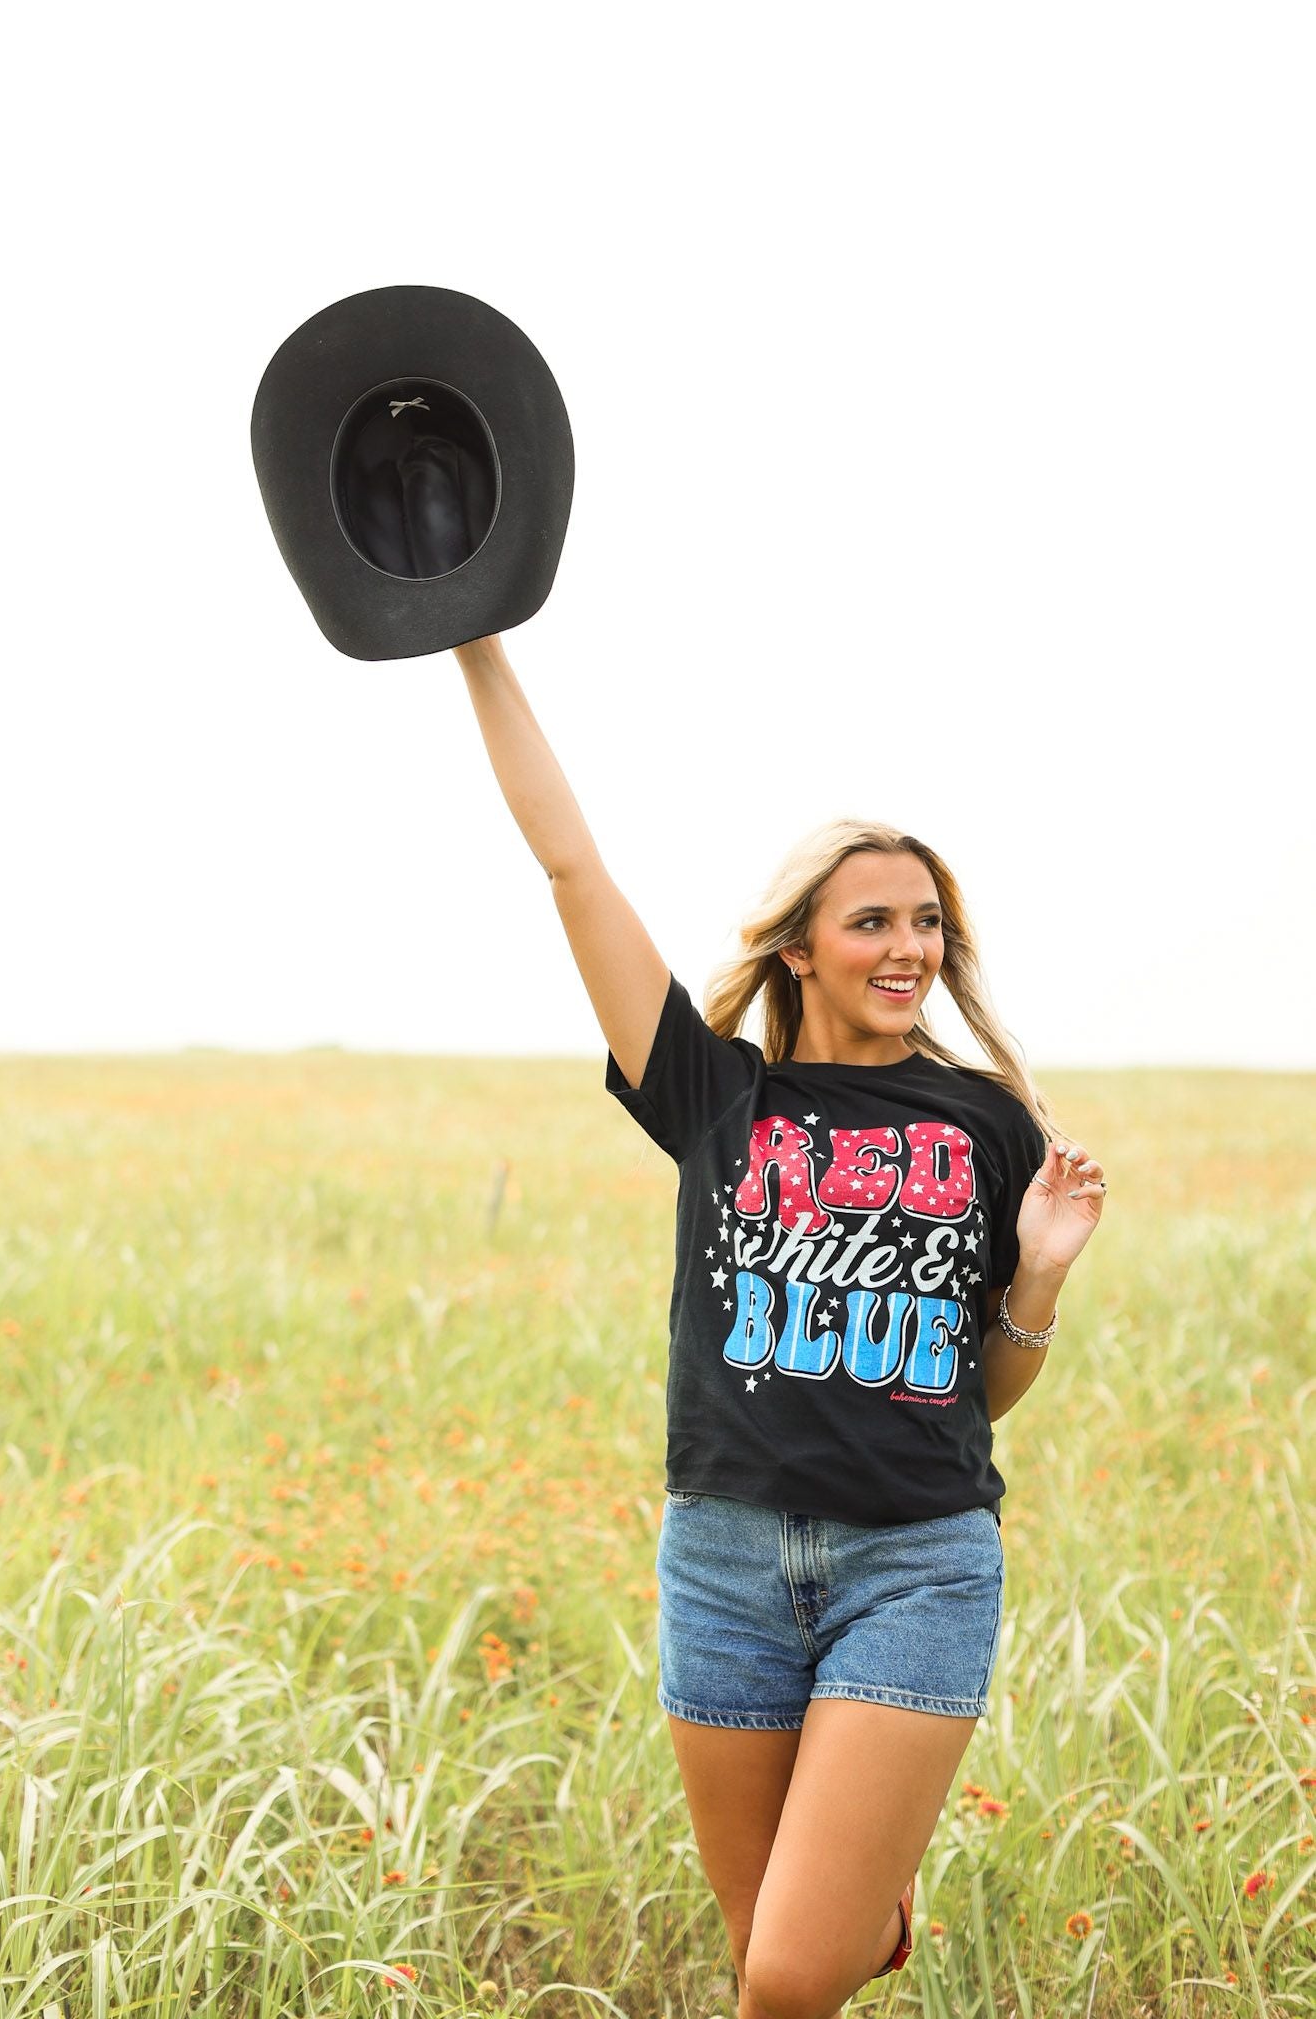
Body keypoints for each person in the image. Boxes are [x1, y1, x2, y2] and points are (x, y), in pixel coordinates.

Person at [453, 631, 1107, 2019]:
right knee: (781, 1957)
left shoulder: (985, 1120)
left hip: (914, 1567)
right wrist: (474, 640)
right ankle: (862, 1905)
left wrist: (1035, 1280)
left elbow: (969, 1397)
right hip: (725, 1562)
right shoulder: (712, 1094)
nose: (907, 949)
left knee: (786, 1981)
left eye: (924, 921)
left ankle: (848, 1910)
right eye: (872, 920)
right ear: (800, 942)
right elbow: (572, 867)